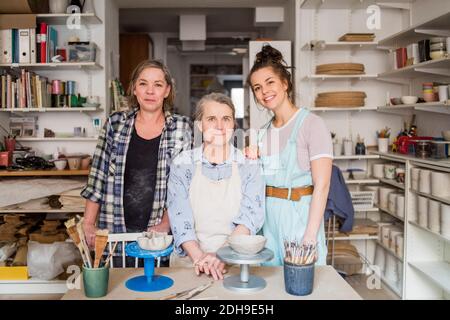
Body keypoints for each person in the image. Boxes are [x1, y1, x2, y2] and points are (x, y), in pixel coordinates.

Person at [81, 60, 192, 266]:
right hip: (114, 228)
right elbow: (97, 177)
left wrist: (166, 223)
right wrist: (88, 224)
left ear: (167, 90)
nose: (150, 91)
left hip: (158, 235)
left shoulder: (181, 127)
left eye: (158, 85)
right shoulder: (115, 123)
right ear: (134, 88)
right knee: (119, 290)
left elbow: (183, 185)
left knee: (158, 291)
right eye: (143, 84)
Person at [246, 45, 333, 266]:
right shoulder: (262, 133)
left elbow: (322, 186)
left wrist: (310, 235)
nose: (264, 91)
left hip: (300, 220)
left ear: (285, 83)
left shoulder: (312, 125)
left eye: (270, 82)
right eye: (257, 87)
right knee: (270, 287)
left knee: (300, 288)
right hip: (267, 224)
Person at [167, 93, 265, 280]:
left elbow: (250, 217)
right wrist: (200, 258)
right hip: (191, 263)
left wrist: (220, 255)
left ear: (233, 125)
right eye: (211, 119)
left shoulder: (249, 165)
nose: (220, 126)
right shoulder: (182, 164)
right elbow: (180, 217)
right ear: (199, 125)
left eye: (226, 119)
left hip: (239, 262)